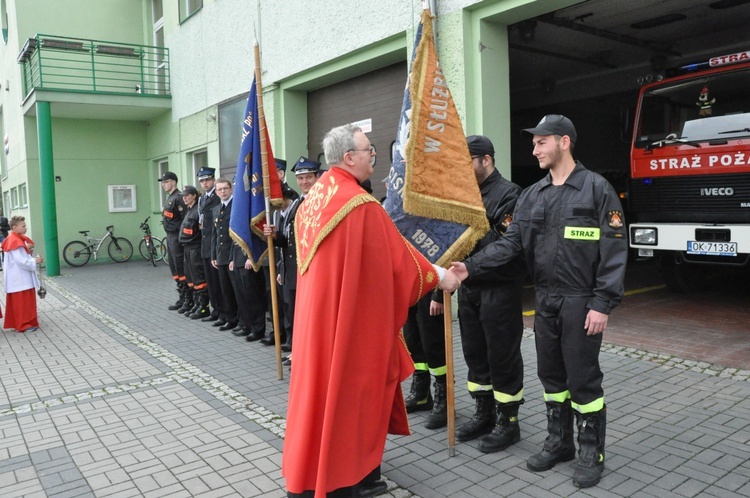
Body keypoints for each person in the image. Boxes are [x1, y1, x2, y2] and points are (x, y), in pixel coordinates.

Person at [282, 123, 461, 497]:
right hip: (350, 326)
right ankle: (343, 481)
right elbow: (397, 262)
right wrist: (441, 276)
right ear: (349, 158)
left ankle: (344, 472)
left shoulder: (314, 199)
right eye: (369, 151)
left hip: (318, 322)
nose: (374, 157)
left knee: (322, 396)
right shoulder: (358, 205)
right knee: (353, 399)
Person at [450, 115, 628, 488]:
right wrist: (469, 267)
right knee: (551, 376)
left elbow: (613, 250)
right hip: (546, 300)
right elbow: (511, 244)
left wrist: (602, 303)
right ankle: (559, 442)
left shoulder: (596, 189)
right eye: (534, 143)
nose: (534, 149)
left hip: (581, 300)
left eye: (541, 142)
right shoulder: (533, 195)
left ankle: (590, 451)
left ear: (564, 142)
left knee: (583, 380)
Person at [454, 135, 526, 453]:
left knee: (503, 358)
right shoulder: (463, 194)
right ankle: (483, 413)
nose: (463, 168)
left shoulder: (510, 194)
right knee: (475, 356)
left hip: (498, 289)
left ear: (485, 160)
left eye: (468, 161)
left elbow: (505, 246)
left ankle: (507, 422)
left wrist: (468, 259)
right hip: (470, 289)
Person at [262, 156, 321, 351]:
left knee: (310, 316)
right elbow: (288, 241)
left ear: (316, 177)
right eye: (301, 178)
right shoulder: (297, 204)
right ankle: (298, 351)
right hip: (292, 269)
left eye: (309, 177)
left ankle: (306, 353)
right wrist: (274, 234)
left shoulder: (321, 203)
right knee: (295, 313)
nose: (304, 182)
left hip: (311, 270)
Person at [402, 291, 448, 430]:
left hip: (430, 290)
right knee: (412, 342)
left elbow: (447, 268)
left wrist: (439, 296)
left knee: (433, 346)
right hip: (411, 290)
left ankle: (444, 400)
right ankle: (421, 395)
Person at [2, 216, 43, 332]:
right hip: (19, 277)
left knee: (24, 302)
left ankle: (25, 323)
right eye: (23, 226)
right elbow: (21, 261)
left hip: (20, 277)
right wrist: (35, 260)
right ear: (14, 227)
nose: (26, 228)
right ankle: (24, 324)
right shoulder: (14, 240)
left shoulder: (15, 239)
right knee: (22, 303)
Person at [211, 178, 239, 332]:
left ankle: (239, 319)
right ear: (216, 192)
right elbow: (215, 235)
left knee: (236, 290)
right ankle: (229, 318)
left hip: (232, 256)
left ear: (231, 189)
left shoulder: (236, 206)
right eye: (220, 189)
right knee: (225, 290)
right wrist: (214, 255)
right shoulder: (216, 209)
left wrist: (233, 257)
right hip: (221, 256)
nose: (223, 192)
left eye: (225, 188)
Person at [179, 185, 210, 319]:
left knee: (199, 278)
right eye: (183, 196)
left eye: (187, 195)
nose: (184, 198)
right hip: (187, 248)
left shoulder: (198, 210)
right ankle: (196, 304)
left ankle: (203, 307)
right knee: (190, 278)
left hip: (195, 248)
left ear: (194, 196)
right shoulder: (189, 210)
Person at [197, 167, 223, 323]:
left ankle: (223, 311)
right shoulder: (202, 199)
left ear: (213, 180)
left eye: (207, 180)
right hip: (205, 245)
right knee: (211, 282)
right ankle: (215, 310)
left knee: (219, 283)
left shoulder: (218, 196)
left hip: (215, 245)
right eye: (202, 181)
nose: (205, 183)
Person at [159, 172, 187, 311]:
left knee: (180, 267)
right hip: (170, 237)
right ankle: (181, 297)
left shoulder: (179, 197)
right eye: (162, 182)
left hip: (177, 237)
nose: (163, 185)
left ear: (173, 182)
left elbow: (184, 220)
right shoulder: (170, 197)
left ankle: (187, 299)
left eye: (166, 182)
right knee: (174, 267)